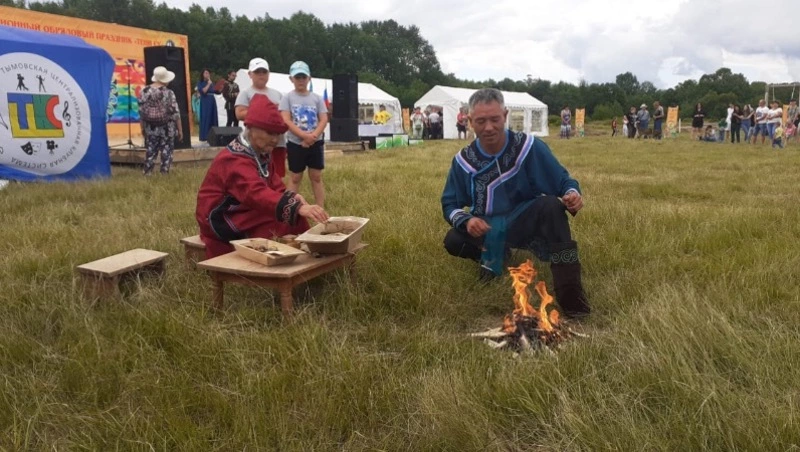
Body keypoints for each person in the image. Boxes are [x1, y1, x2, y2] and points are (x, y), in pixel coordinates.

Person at [441, 88, 590, 319]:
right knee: (453, 239)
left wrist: (572, 195)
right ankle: (497, 255)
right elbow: (449, 204)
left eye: (495, 119)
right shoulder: (463, 161)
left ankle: (572, 297)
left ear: (505, 115)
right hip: (489, 228)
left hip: (524, 219)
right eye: (481, 121)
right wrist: (468, 220)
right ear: (470, 121)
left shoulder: (528, 147)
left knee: (552, 205)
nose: (489, 127)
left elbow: (563, 180)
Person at [196, 94, 329, 259]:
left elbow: (275, 186)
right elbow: (255, 193)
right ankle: (291, 261)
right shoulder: (233, 159)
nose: (275, 139)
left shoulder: (261, 153)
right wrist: (295, 207)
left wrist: (294, 197)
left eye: (278, 134)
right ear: (251, 128)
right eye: (269, 133)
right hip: (221, 217)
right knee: (286, 216)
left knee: (294, 215)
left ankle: (311, 255)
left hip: (244, 208)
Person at [279, 61, 329, 208]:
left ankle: (320, 207)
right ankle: (288, 208)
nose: (301, 80)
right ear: (291, 79)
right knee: (295, 177)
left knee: (316, 176)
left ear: (309, 78)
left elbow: (324, 119)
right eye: (297, 77)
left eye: (303, 77)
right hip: (296, 143)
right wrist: (303, 136)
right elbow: (286, 120)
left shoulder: (317, 98)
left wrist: (313, 137)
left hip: (315, 142)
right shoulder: (287, 98)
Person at [235, 58, 287, 179]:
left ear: (269, 74)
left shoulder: (278, 94)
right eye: (257, 72)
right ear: (250, 74)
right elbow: (239, 113)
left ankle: (277, 196)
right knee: (256, 173)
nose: (261, 75)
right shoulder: (245, 93)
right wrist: (264, 112)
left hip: (277, 142)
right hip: (256, 142)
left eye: (264, 72)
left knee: (277, 174)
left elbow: (285, 115)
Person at [138, 66, 183, 175]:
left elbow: (141, 112)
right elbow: (175, 113)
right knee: (166, 151)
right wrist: (180, 130)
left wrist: (142, 127)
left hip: (150, 127)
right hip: (167, 128)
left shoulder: (144, 91)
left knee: (150, 151)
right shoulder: (169, 93)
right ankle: (164, 173)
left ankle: (147, 173)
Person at [196, 69, 218, 143]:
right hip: (205, 101)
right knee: (206, 117)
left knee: (213, 117)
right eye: (206, 73)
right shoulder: (200, 83)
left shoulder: (211, 83)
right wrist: (208, 84)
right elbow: (203, 91)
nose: (207, 74)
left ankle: (214, 136)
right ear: (202, 74)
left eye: (208, 73)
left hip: (212, 100)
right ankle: (205, 136)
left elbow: (216, 91)